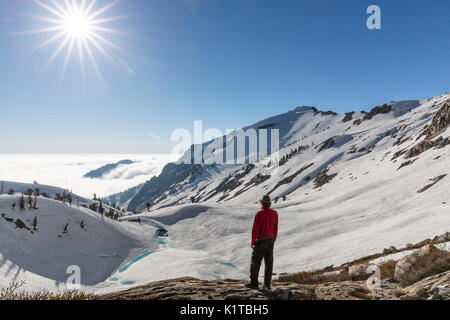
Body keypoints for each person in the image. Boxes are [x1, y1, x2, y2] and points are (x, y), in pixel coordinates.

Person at [247, 195, 278, 290]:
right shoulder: (274, 213)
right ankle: (267, 285)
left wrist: (253, 241)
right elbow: (275, 228)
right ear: (269, 203)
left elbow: (255, 229)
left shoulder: (259, 213)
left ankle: (254, 284)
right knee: (269, 263)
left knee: (255, 262)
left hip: (261, 241)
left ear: (262, 203)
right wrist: (273, 239)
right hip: (271, 239)